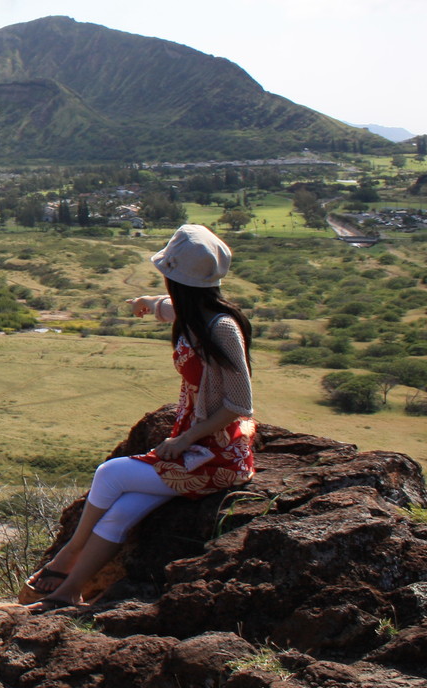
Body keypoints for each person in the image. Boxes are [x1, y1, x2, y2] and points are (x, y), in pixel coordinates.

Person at [25, 223, 256, 611]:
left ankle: (67, 556)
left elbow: (240, 404)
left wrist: (182, 440)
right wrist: (145, 301)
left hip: (217, 456)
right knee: (120, 513)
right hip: (198, 447)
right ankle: (67, 595)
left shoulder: (222, 329)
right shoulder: (194, 312)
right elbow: (165, 308)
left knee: (110, 474)